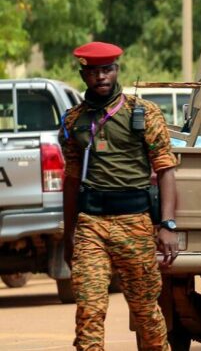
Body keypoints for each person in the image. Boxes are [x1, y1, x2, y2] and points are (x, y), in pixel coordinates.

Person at [59, 41, 179, 350]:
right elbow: (71, 181)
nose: (101, 77)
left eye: (107, 70)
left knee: (146, 314)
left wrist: (167, 225)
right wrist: (68, 233)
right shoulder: (74, 121)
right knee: (89, 311)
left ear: (117, 70)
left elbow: (165, 170)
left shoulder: (144, 113)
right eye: (94, 71)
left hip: (135, 225)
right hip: (91, 226)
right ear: (84, 74)